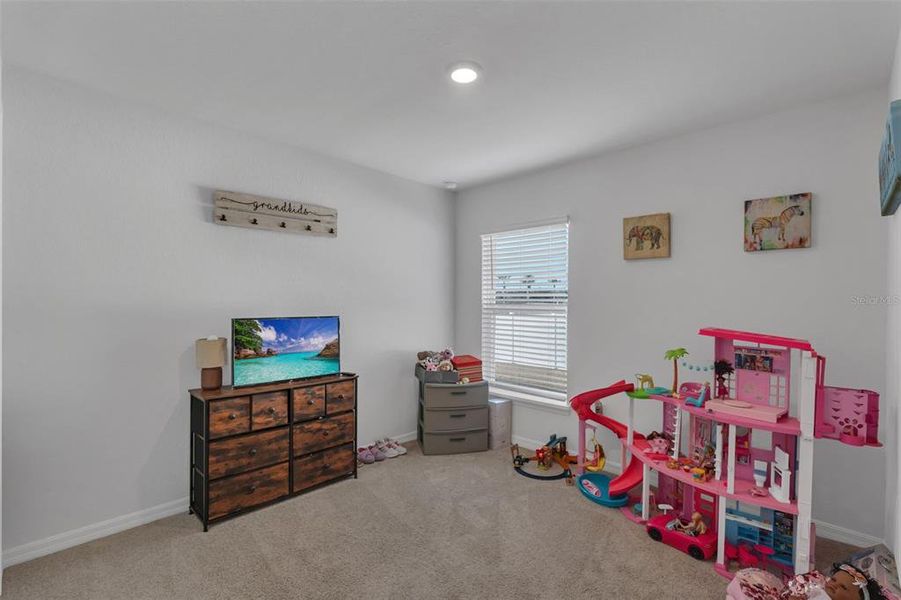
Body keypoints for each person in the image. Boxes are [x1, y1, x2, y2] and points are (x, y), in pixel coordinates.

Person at [728, 562, 886, 600]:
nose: (834, 584)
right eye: (834, 579)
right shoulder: (819, 590)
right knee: (751, 579)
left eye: (843, 588)